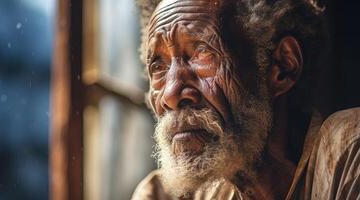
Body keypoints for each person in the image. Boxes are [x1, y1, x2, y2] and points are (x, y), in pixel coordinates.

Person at [132, 0, 360, 199]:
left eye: (202, 52)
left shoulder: (350, 149)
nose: (170, 95)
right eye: (158, 67)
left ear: (281, 66)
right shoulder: (164, 195)